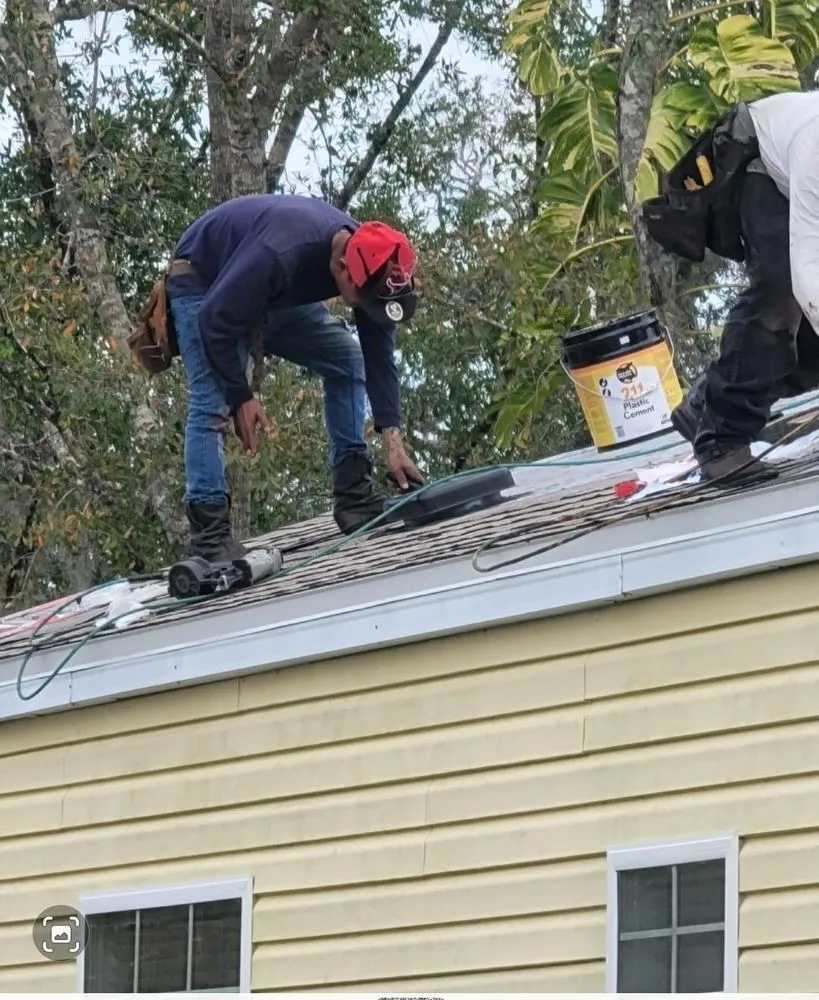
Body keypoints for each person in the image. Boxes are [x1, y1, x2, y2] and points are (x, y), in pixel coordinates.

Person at [164, 193, 425, 563]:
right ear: (341, 267)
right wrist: (242, 396)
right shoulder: (281, 250)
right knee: (212, 400)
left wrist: (393, 442)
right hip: (204, 280)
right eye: (363, 301)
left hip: (267, 292)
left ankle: (355, 498)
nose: (366, 310)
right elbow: (213, 321)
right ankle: (210, 540)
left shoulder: (373, 264)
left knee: (346, 360)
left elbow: (378, 357)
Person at [643, 91, 819, 485]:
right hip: (763, 162)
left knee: (811, 344)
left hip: (796, 175)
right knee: (780, 296)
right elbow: (807, 273)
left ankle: (707, 401)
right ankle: (722, 441)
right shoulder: (816, 149)